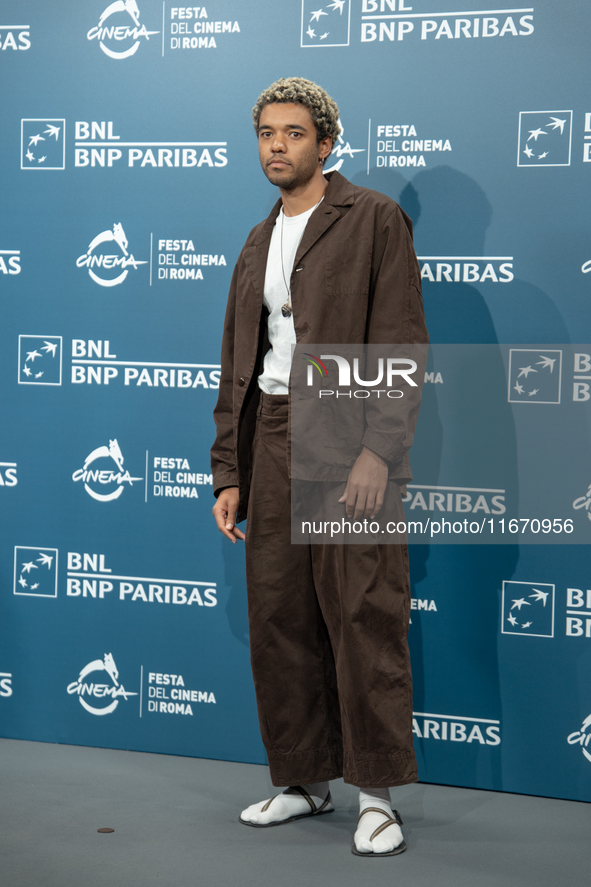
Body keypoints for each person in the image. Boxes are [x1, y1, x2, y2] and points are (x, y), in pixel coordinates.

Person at [211, 77, 428, 857]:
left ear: (326, 143)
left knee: (360, 615)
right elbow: (239, 363)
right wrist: (228, 471)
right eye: (266, 132)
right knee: (280, 618)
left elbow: (400, 345)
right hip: (270, 435)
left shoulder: (371, 219)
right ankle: (303, 781)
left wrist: (378, 450)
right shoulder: (256, 238)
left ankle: (377, 797)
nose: (277, 145)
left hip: (344, 442)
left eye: (293, 133)